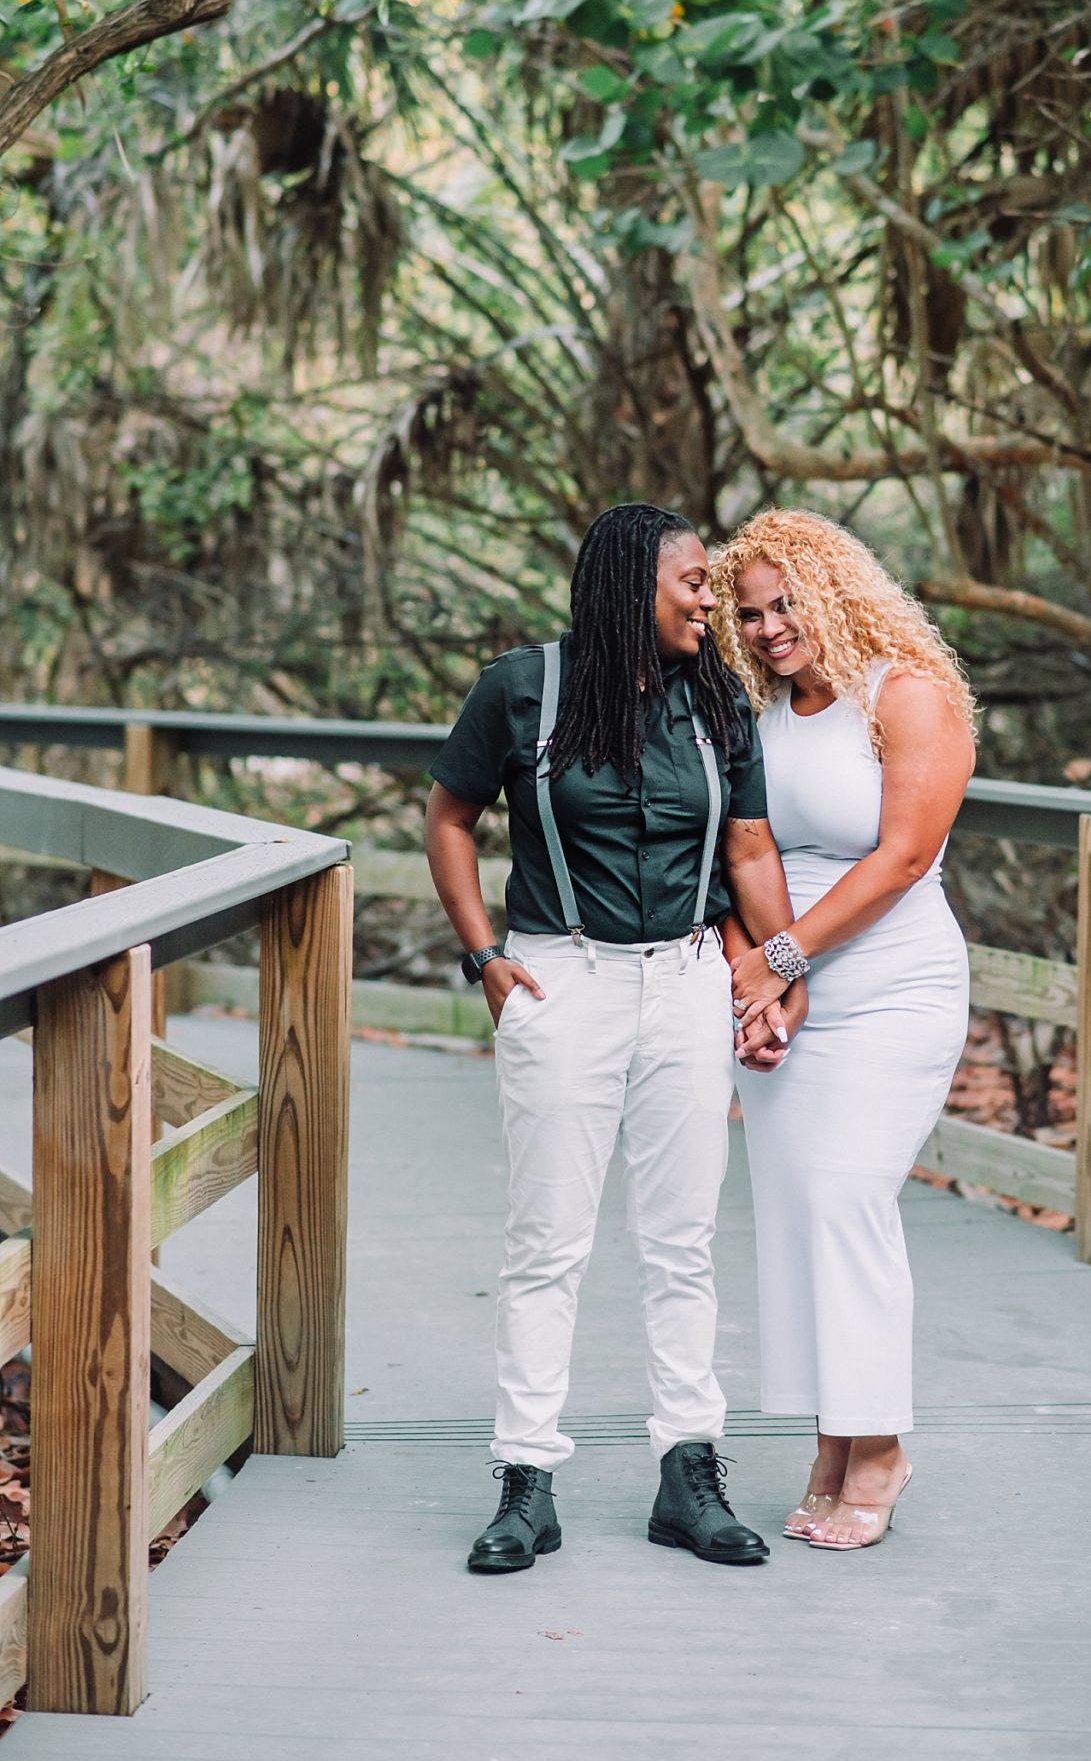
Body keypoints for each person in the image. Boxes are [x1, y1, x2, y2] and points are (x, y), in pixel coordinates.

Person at [425, 502, 805, 1575]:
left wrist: (781, 976)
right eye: (690, 580)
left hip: (685, 982)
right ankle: (525, 1480)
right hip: (561, 978)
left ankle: (687, 1473)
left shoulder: (714, 698)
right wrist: (481, 955)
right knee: (547, 1240)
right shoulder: (521, 690)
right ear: (626, 584)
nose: (708, 598)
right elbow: (447, 815)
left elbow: (749, 848)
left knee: (681, 1239)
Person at [711, 508, 976, 1552]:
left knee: (844, 1199)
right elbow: (735, 848)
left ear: (835, 589)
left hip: (890, 988)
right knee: (793, 1213)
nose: (771, 627)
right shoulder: (764, 713)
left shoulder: (904, 694)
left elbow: (904, 855)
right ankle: (832, 1440)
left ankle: (880, 1450)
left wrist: (781, 958)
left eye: (786, 603)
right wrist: (751, 972)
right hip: (784, 990)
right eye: (751, 613)